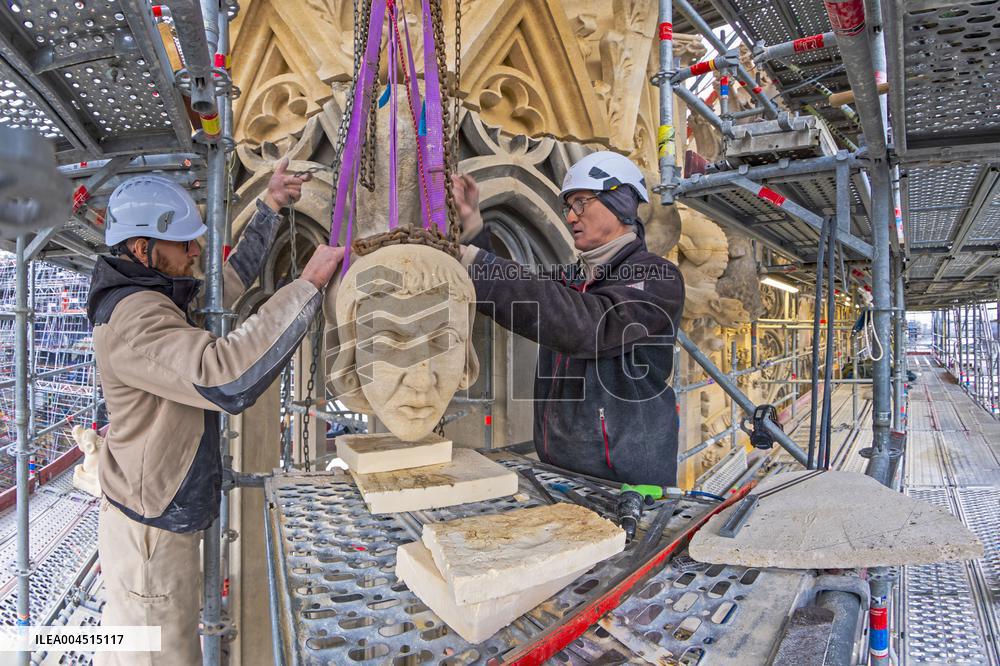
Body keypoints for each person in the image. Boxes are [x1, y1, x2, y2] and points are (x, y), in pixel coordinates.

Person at [85, 160, 344, 665]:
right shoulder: (133, 316)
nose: (195, 252)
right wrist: (307, 285)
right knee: (159, 656)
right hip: (149, 539)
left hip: (159, 519)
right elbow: (225, 376)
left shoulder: (155, 295)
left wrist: (270, 206)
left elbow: (223, 286)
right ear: (141, 247)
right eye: (184, 243)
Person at [452, 151, 685, 486]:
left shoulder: (655, 276)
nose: (571, 216)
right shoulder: (572, 278)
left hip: (629, 478)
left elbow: (588, 325)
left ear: (619, 202)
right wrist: (472, 225)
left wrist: (476, 262)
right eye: (568, 207)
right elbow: (526, 293)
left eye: (581, 203)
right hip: (561, 469)